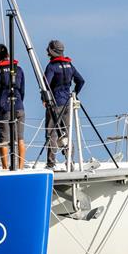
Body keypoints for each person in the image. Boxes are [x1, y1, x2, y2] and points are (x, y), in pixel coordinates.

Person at [42, 40, 84, 168]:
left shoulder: (52, 66)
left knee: (51, 133)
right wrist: (74, 94)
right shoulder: (69, 65)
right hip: (67, 103)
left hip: (55, 104)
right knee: (66, 132)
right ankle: (69, 161)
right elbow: (81, 80)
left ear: (51, 52)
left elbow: (46, 84)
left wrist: (43, 99)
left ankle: (51, 163)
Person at [0, 44, 26, 169]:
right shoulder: (19, 69)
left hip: (4, 107)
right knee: (20, 138)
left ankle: (5, 167)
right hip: (19, 106)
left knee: (4, 139)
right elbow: (22, 89)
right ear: (8, 54)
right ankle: (20, 167)